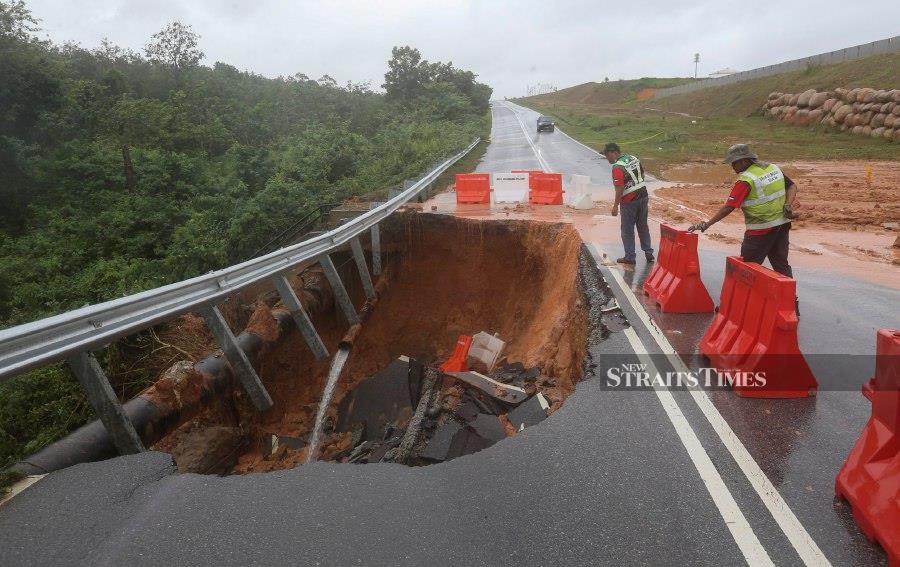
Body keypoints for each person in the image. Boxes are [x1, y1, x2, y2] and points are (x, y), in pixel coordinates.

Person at [688, 143, 798, 278]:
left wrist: (707, 224)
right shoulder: (773, 168)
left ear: (745, 160)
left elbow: (729, 207)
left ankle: (745, 297)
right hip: (782, 226)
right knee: (781, 264)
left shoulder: (746, 180)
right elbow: (792, 186)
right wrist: (788, 204)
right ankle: (790, 298)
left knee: (747, 267)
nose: (732, 166)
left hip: (760, 231)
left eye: (734, 162)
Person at [602, 143, 654, 265]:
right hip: (643, 195)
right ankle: (648, 252)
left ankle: (630, 257)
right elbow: (641, 173)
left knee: (627, 229)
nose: (607, 158)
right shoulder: (633, 158)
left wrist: (615, 206)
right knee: (642, 225)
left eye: (607, 155)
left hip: (629, 200)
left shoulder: (617, 167)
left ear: (613, 153)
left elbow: (619, 188)